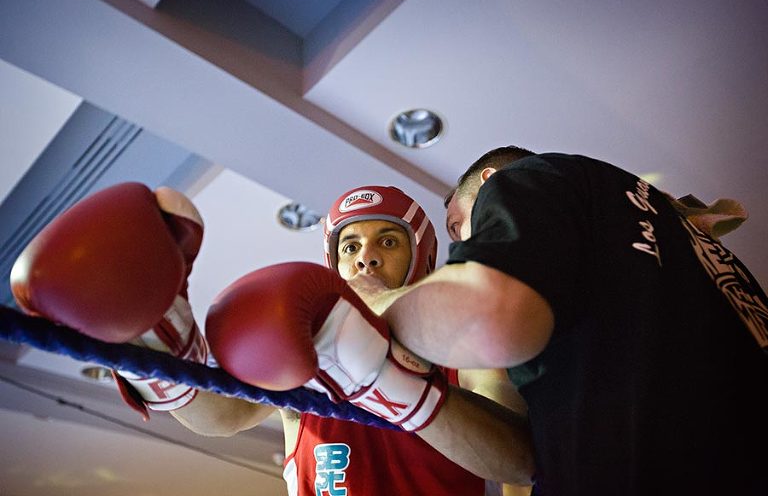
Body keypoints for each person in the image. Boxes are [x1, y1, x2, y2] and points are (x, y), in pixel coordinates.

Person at [11, 182, 533, 495]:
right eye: (349, 245)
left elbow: (518, 460)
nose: (365, 257)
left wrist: (386, 375)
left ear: (420, 259)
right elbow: (220, 418)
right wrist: (154, 361)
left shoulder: (464, 349)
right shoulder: (302, 344)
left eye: (387, 241)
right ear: (332, 263)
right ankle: (156, 338)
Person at [352, 146, 768, 495]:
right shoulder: (678, 248)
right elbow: (526, 460)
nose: (463, 244)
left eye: (458, 226)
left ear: (490, 180)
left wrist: (372, 303)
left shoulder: (526, 179)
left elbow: (487, 314)